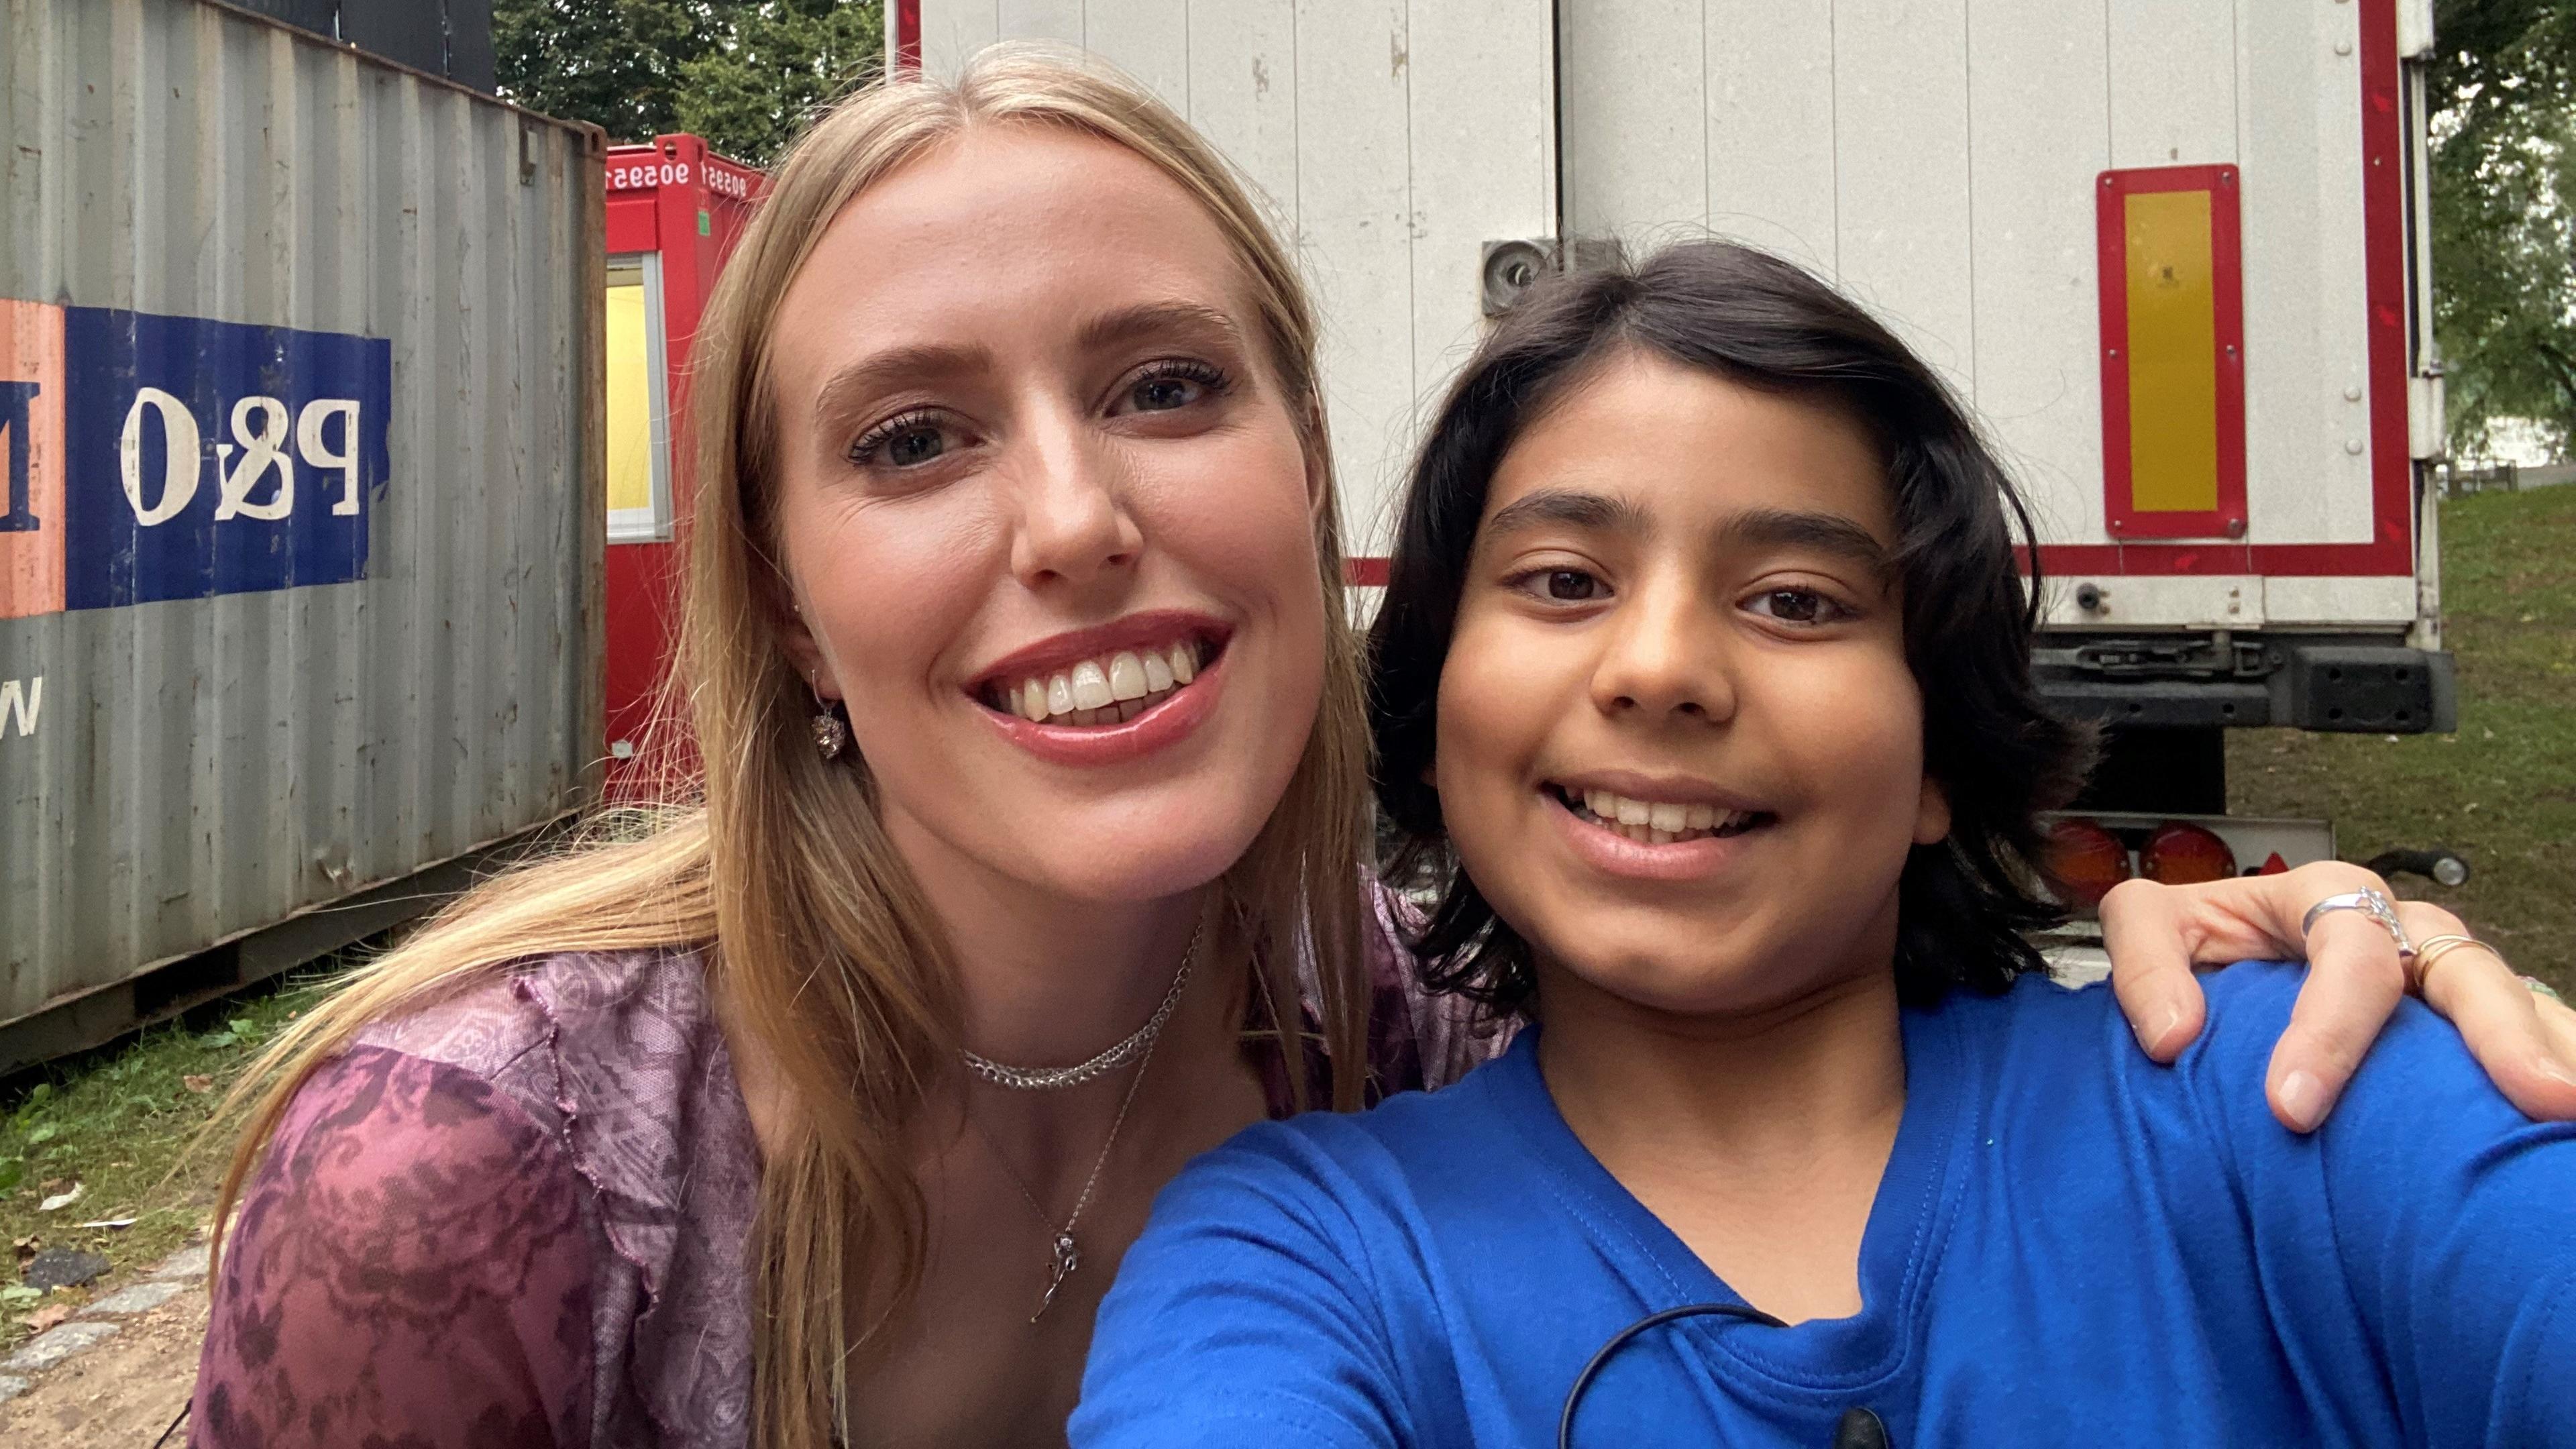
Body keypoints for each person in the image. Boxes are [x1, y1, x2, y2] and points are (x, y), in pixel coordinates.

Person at [191, 53, 2576, 1449]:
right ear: (786, 603)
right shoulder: (469, 1180)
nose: (1079, 514)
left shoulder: (1381, 1022)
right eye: (915, 439)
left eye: (1164, 386)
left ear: (1304, 481)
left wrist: (2253, 944)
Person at [1072, 240, 2576, 1448]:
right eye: (1561, 579)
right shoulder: (1293, 1262)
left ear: (1938, 750)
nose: (1659, 668)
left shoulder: (2301, 1094)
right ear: (1438, 711)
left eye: (1796, 599)